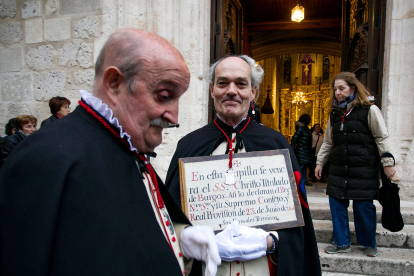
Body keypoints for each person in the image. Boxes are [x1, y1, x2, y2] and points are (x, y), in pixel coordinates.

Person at [0, 28, 222, 276]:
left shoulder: (125, 148)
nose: (174, 116)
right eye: (164, 96)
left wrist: (179, 237)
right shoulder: (43, 158)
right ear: (114, 83)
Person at [166, 55, 321, 276]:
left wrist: (271, 241)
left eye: (241, 83)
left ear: (253, 92)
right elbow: (170, 221)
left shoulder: (276, 145)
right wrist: (194, 241)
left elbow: (299, 227)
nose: (231, 91)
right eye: (222, 83)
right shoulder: (188, 146)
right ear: (212, 90)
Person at [315, 72, 396, 258]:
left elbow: (381, 138)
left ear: (353, 88)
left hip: (364, 169)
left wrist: (388, 163)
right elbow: (328, 142)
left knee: (363, 207)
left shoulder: (369, 110)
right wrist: (320, 162)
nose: (337, 93)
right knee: (336, 205)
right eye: (335, 89)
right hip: (338, 168)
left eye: (341, 88)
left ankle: (368, 243)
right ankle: (341, 242)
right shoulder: (335, 114)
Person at [291, 113, 313, 186]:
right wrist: (293, 149)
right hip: (301, 151)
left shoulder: (306, 128)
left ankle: (304, 180)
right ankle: (299, 180)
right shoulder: (301, 128)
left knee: (305, 166)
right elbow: (294, 138)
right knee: (300, 166)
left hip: (306, 151)